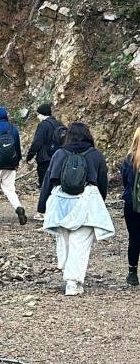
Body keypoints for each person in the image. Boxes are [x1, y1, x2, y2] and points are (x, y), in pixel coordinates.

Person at [38, 123, 112, 296]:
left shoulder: (59, 153)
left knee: (63, 240)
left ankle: (67, 272)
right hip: (86, 201)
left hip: (61, 203)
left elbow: (49, 180)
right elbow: (102, 183)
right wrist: (99, 201)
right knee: (80, 243)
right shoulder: (95, 155)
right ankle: (73, 282)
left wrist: (42, 205)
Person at [26, 104, 64, 190]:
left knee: (45, 185)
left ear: (42, 114)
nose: (38, 117)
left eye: (38, 114)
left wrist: (30, 156)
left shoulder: (43, 125)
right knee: (57, 184)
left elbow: (37, 142)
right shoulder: (59, 124)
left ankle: (45, 202)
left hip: (45, 159)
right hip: (59, 157)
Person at [120, 127, 140, 286]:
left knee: (134, 238)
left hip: (132, 205)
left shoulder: (129, 160)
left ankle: (132, 273)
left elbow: (125, 182)